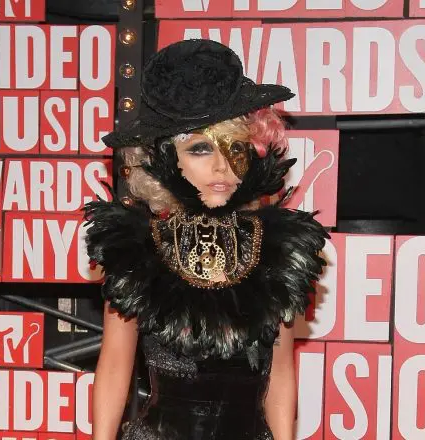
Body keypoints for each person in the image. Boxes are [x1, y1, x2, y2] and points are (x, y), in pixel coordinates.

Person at [84, 39, 328, 440]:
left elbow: (281, 373)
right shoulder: (136, 251)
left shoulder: (279, 251)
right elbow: (114, 366)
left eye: (235, 148)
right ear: (163, 156)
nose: (221, 165)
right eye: (199, 148)